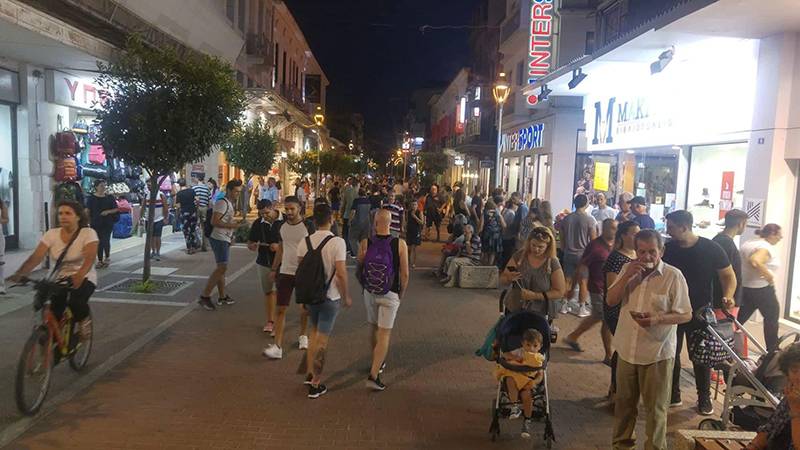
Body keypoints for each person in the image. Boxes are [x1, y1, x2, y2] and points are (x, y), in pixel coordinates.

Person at [607, 229, 692, 450]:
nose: (646, 257)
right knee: (624, 407)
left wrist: (658, 319)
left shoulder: (673, 276)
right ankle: (621, 446)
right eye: (642, 251)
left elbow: (686, 314)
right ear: (635, 251)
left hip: (657, 353)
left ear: (661, 251)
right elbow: (611, 300)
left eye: (652, 251)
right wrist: (627, 276)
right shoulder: (627, 269)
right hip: (627, 350)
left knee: (656, 410)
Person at [663, 210, 737, 415]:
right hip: (672, 309)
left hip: (700, 311)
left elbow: (728, 276)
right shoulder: (668, 249)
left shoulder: (711, 248)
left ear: (684, 227)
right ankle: (673, 394)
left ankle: (704, 397)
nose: (668, 231)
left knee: (702, 355)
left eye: (671, 227)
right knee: (672, 352)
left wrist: (728, 296)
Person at [11, 201, 99, 341]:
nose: (63, 216)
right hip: (58, 277)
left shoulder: (88, 233)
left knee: (76, 302)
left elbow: (90, 258)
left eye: (68, 213)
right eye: (60, 213)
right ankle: (53, 342)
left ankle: (84, 321)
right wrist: (21, 273)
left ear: (78, 217)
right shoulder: (51, 234)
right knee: (50, 308)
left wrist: (80, 275)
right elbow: (36, 257)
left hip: (84, 275)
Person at [298, 203, 351, 399]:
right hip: (330, 296)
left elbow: (301, 272)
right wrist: (346, 296)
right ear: (331, 219)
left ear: (314, 220)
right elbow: (341, 273)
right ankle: (316, 382)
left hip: (311, 296)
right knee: (322, 340)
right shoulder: (338, 243)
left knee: (314, 333)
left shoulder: (304, 242)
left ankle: (309, 372)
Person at [358, 209, 409, 391]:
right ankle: (374, 374)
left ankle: (376, 361)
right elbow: (405, 274)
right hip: (390, 292)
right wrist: (401, 293)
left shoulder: (366, 242)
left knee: (373, 328)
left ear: (375, 223)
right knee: (384, 334)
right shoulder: (400, 244)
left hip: (370, 291)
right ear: (391, 223)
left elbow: (360, 267)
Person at [263, 196, 313, 359]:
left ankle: (303, 335)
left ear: (299, 208)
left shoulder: (308, 226)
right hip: (285, 271)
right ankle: (277, 346)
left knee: (304, 307)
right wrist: (274, 268)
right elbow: (281, 248)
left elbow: (314, 248)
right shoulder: (282, 227)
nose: (289, 212)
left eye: (292, 208)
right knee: (281, 308)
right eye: (287, 209)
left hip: (303, 272)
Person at [563, 218, 617, 364]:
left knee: (599, 317)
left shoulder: (616, 245)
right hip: (597, 287)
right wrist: (573, 288)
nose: (614, 231)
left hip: (611, 287)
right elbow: (581, 267)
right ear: (604, 228)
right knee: (603, 318)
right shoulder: (595, 246)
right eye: (612, 228)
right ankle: (608, 355)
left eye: (616, 228)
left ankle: (573, 337)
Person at [602, 220, 640, 400]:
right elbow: (612, 288)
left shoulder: (637, 256)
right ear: (624, 236)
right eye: (634, 233)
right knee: (623, 348)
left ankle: (619, 388)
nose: (637, 237)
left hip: (632, 307)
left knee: (628, 347)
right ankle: (615, 388)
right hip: (617, 309)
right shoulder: (616, 258)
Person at [500, 227, 566, 318]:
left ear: (548, 246)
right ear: (529, 242)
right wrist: (508, 278)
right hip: (515, 306)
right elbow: (502, 279)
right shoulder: (520, 255)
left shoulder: (552, 262)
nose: (536, 249)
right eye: (533, 245)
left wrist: (535, 296)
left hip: (541, 311)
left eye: (540, 247)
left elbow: (560, 292)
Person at [744, 343, 800, 450]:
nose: (799, 376)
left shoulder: (793, 402)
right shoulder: (791, 397)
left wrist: (796, 410)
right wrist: (753, 446)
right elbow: (770, 428)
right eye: (794, 370)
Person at [198, 179, 242, 311]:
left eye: (239, 192)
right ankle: (205, 296)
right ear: (229, 190)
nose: (237, 194)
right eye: (236, 191)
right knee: (222, 267)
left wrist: (231, 233)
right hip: (219, 238)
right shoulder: (222, 203)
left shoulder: (227, 203)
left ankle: (222, 296)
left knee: (221, 268)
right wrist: (233, 226)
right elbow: (214, 221)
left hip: (223, 238)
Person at [739, 223, 783, 353]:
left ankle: (723, 340)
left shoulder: (749, 243)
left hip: (746, 287)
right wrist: (768, 276)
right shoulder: (765, 247)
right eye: (779, 235)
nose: (780, 238)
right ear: (772, 234)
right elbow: (755, 260)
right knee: (771, 318)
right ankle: (773, 350)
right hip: (762, 289)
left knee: (739, 318)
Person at [494, 328, 545, 439]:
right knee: (509, 379)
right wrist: (515, 358)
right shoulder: (519, 352)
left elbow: (540, 375)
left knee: (527, 396)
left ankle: (527, 421)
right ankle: (515, 406)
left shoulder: (539, 358)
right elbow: (505, 354)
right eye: (528, 345)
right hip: (515, 379)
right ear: (522, 343)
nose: (531, 348)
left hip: (528, 382)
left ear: (540, 346)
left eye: (535, 346)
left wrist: (534, 382)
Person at [559, 194, 598, 317]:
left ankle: (564, 305)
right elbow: (593, 240)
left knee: (567, 280)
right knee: (583, 282)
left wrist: (564, 248)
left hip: (568, 253)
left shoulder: (566, 219)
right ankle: (581, 308)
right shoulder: (590, 219)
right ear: (586, 204)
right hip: (583, 255)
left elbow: (562, 236)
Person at [248, 199, 280, 334]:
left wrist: (279, 247)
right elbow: (250, 241)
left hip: (283, 263)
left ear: (273, 207)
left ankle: (278, 321)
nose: (264, 216)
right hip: (264, 262)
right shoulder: (258, 223)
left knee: (279, 292)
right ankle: (270, 321)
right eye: (261, 214)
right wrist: (252, 245)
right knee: (269, 292)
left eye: (266, 213)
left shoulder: (285, 221)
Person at [713, 209, 748, 310]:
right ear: (741, 224)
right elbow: (725, 273)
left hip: (723, 297)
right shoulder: (726, 244)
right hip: (724, 300)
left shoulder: (719, 240)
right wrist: (728, 295)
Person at [86, 180, 118, 268]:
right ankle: (100, 260)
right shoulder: (91, 198)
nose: (103, 187)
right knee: (98, 242)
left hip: (107, 223)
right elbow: (88, 210)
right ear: (96, 187)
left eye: (104, 185)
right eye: (101, 186)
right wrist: (87, 221)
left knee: (105, 240)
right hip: (95, 223)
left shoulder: (110, 197)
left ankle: (107, 257)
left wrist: (108, 212)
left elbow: (116, 209)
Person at [142, 183, 169, 261]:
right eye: (148, 185)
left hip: (159, 219)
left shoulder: (161, 195)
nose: (148, 187)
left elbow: (165, 207)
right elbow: (143, 206)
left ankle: (157, 252)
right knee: (150, 236)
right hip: (148, 219)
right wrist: (141, 217)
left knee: (157, 236)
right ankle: (153, 251)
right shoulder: (146, 195)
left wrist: (165, 218)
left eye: (150, 185)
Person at [175, 178, 199, 254]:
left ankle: (189, 248)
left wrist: (177, 214)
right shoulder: (192, 191)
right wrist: (196, 208)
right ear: (186, 183)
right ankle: (194, 246)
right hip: (193, 212)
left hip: (184, 213)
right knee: (193, 229)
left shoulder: (179, 194)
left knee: (186, 231)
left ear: (179, 185)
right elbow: (197, 200)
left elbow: (178, 206)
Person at [479, 199, 505, 266]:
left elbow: (481, 227)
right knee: (492, 253)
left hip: (486, 235)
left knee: (485, 252)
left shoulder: (484, 213)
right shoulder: (497, 213)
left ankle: (483, 267)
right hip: (496, 235)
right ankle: (489, 268)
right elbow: (504, 225)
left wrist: (478, 234)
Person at [348, 188, 372, 258]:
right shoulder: (368, 201)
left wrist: (350, 221)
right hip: (366, 223)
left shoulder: (356, 201)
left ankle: (358, 254)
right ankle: (364, 255)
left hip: (357, 222)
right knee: (364, 240)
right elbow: (370, 213)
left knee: (352, 238)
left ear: (358, 193)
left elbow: (353, 212)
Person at [192, 176, 211, 252]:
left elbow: (193, 198)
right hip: (204, 208)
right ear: (203, 179)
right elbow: (209, 200)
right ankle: (204, 245)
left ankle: (196, 243)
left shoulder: (194, 188)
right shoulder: (207, 189)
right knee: (204, 227)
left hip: (196, 208)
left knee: (195, 225)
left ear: (197, 179)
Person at [499, 199, 519, 269]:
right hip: (508, 236)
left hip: (503, 236)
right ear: (513, 205)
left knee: (504, 254)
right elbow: (510, 226)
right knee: (507, 255)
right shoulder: (511, 213)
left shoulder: (506, 211)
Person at [405, 194, 424, 268]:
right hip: (409, 230)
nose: (414, 206)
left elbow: (422, 222)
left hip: (416, 231)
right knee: (409, 248)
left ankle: (414, 263)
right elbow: (407, 220)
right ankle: (408, 261)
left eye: (415, 205)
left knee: (415, 248)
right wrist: (405, 227)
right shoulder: (408, 212)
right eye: (412, 205)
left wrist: (415, 217)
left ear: (417, 205)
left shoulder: (419, 212)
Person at [340, 178, 357, 256]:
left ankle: (346, 248)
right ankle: (351, 249)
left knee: (345, 232)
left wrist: (341, 213)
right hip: (354, 215)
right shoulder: (357, 192)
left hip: (347, 214)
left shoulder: (347, 191)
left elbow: (344, 203)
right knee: (352, 233)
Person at [0, 198, 8, 294]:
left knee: (0, 262)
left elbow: (6, 220)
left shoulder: (1, 203)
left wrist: (0, 220)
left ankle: (1, 286)